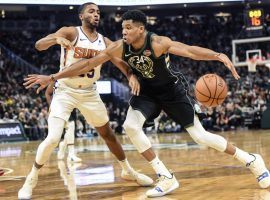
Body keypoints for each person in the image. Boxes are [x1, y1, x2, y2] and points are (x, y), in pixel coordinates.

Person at [24, 9, 270, 198]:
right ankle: (165, 176)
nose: (124, 31)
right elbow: (88, 64)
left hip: (172, 91)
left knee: (201, 136)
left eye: (129, 28)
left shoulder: (158, 42)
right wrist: (54, 77)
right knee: (130, 127)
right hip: (147, 93)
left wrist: (217, 55)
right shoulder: (119, 47)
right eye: (123, 27)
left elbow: (191, 51)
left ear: (141, 29)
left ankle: (251, 160)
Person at [18, 5, 153, 200]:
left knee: (108, 134)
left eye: (98, 12)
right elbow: (39, 45)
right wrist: (55, 39)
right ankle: (31, 178)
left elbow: (120, 62)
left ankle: (127, 170)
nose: (96, 14)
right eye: (91, 11)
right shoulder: (71, 31)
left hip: (89, 92)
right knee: (54, 137)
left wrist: (130, 75)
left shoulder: (104, 41)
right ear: (81, 16)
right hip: (64, 90)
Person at [45, 82, 81, 162]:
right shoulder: (55, 79)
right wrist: (51, 106)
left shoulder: (74, 79)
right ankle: (63, 147)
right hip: (58, 108)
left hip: (70, 107)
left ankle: (70, 153)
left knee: (71, 127)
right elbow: (47, 93)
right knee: (54, 137)